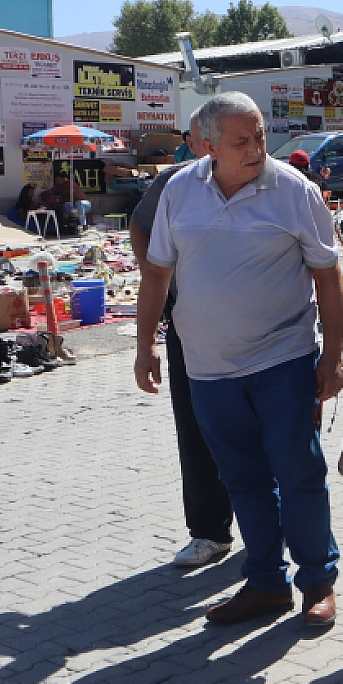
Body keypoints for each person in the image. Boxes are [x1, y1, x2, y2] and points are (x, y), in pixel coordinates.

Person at [134, 92, 343, 628]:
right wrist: (144, 346)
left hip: (282, 362)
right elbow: (156, 272)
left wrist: (334, 356)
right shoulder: (179, 189)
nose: (255, 149)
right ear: (207, 145)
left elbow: (328, 275)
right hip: (208, 371)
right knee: (243, 480)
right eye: (240, 141)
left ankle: (317, 581)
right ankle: (266, 584)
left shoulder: (294, 191)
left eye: (259, 137)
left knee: (299, 473)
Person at [129, 117, 234, 569]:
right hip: (191, 331)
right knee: (197, 431)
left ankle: (274, 529)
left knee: (266, 432)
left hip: (266, 336)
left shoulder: (275, 183)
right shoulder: (174, 184)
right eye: (195, 139)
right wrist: (163, 294)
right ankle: (210, 532)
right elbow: (140, 229)